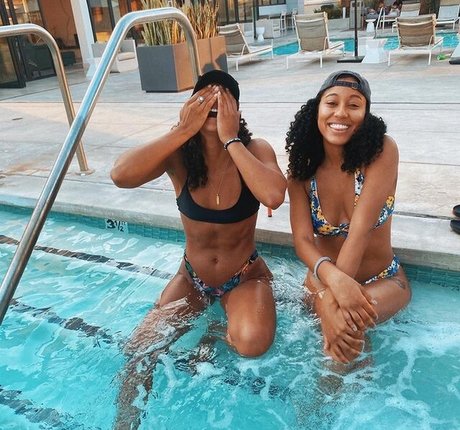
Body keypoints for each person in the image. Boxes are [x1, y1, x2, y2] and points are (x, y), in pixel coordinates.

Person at [110, 70, 286, 427]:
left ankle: (216, 330)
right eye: (204, 97)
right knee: (139, 348)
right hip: (192, 278)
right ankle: (125, 422)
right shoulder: (178, 156)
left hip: (245, 277)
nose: (212, 102)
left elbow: (273, 195)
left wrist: (230, 139)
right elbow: (120, 175)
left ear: (237, 111)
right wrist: (180, 131)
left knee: (252, 344)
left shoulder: (254, 149)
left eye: (223, 98)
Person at [285, 70, 411, 365]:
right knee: (343, 343)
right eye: (332, 103)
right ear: (316, 109)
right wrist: (331, 292)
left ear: (365, 115)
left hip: (384, 280)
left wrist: (334, 304)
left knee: (348, 329)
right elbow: (302, 242)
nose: (341, 113)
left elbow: (360, 231)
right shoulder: (301, 172)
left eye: (354, 105)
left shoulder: (381, 153)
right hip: (321, 282)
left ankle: (334, 394)